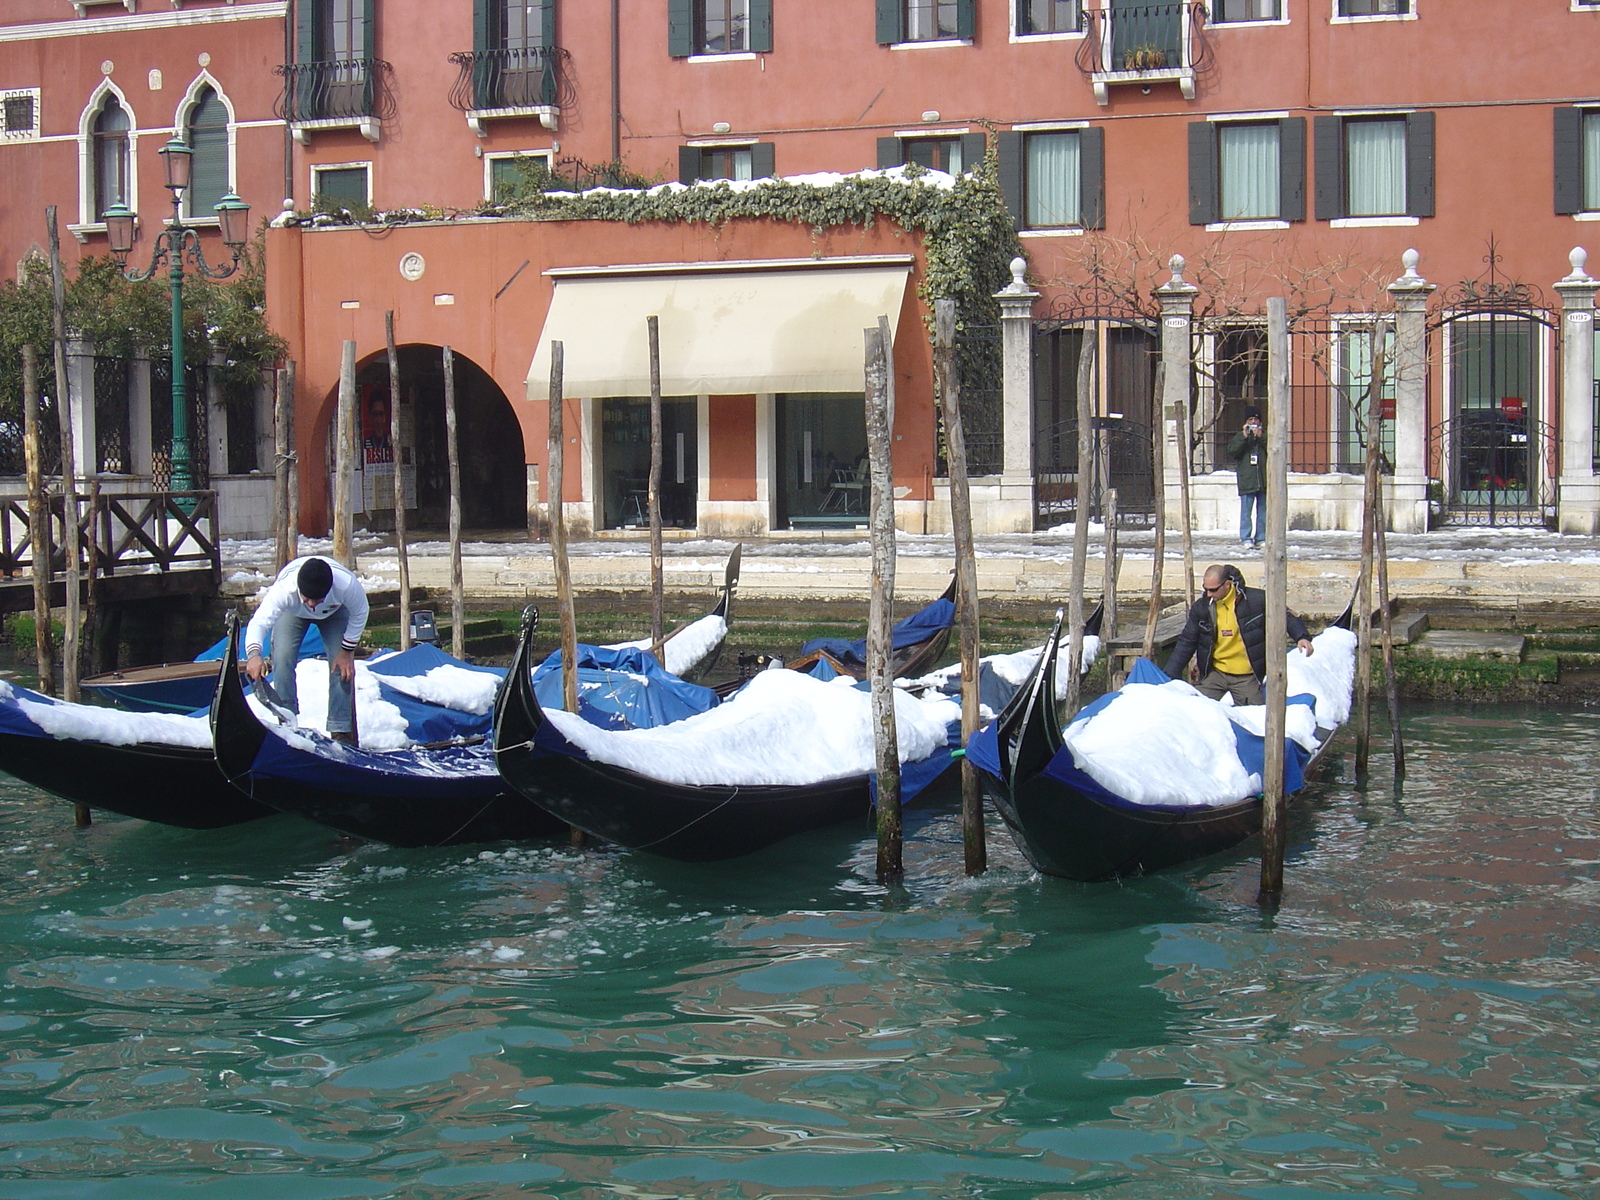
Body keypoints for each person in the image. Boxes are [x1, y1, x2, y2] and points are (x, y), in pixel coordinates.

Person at [244, 555, 369, 743]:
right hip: (292, 612)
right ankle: (286, 721)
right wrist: (254, 655)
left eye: (317, 599)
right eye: (307, 598)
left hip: (334, 612)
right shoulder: (284, 590)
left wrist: (346, 650)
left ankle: (341, 730)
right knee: (283, 659)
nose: (311, 604)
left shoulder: (346, 585)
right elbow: (259, 622)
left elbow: (361, 613)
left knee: (342, 667)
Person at [1163, 563, 1314, 706]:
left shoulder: (1257, 600)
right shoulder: (1202, 607)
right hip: (1215, 674)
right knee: (1195, 708)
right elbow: (1187, 641)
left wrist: (1301, 637)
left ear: (1227, 585)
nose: (1208, 594)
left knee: (1255, 718)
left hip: (1247, 676)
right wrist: (1169, 676)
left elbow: (1285, 615)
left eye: (1213, 590)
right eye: (1205, 589)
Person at [1228, 407, 1267, 549]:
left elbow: (1273, 448)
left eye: (1256, 420)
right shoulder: (1240, 437)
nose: (1253, 422)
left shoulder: (1264, 436)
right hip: (1247, 481)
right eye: (1250, 420)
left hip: (1262, 481)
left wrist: (1261, 436)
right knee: (1246, 512)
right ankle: (1245, 538)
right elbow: (1232, 451)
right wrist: (1244, 437)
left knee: (1262, 512)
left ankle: (1261, 537)